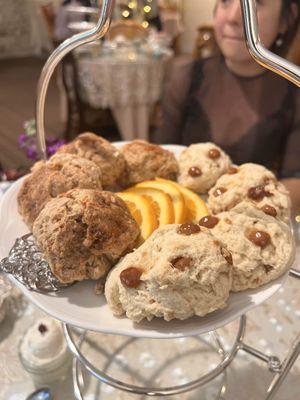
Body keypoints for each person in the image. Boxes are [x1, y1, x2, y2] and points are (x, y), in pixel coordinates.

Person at [154, 0, 300, 212]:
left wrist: (231, 206)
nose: (233, 16)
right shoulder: (186, 77)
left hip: (252, 223)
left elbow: (296, 182)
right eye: (225, 0)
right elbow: (162, 158)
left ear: (286, 19)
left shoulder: (294, 92)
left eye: (257, 3)